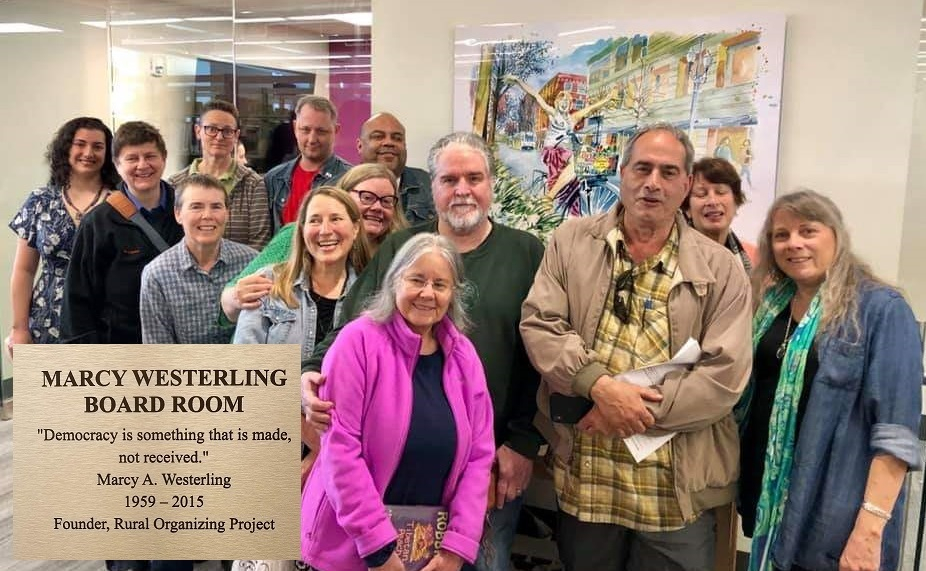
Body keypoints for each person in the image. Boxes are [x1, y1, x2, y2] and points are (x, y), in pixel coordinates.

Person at [304, 132, 546, 571]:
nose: (462, 189)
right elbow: (349, 331)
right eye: (449, 178)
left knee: (489, 561)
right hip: (379, 488)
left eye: (474, 177)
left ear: (490, 183)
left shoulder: (526, 253)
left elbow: (539, 356)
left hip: (486, 466)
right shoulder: (400, 248)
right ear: (430, 186)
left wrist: (522, 443)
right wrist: (310, 371)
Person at [519, 122, 752, 571]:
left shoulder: (721, 269)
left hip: (675, 486)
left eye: (668, 173)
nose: (652, 183)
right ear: (622, 173)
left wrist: (627, 408)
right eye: (642, 168)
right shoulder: (571, 242)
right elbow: (541, 324)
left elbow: (724, 377)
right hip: (589, 475)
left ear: (686, 185)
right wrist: (600, 387)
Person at [737, 190, 922, 571]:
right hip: (770, 504)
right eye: (781, 235)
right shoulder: (770, 305)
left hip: (836, 520)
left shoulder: (880, 309)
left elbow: (895, 436)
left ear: (835, 235)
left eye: (808, 230)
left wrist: (868, 532)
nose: (794, 244)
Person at [301, 233, 495, 571]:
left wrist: (456, 549)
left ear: (453, 294)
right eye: (417, 279)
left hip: (429, 552)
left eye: (440, 284)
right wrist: (378, 548)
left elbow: (479, 457)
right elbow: (341, 451)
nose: (427, 293)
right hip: (353, 549)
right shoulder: (357, 342)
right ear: (395, 282)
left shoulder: (464, 357)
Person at [220, 163, 405, 324]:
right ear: (343, 196)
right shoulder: (297, 235)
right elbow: (230, 302)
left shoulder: (398, 255)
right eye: (367, 197)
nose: (377, 207)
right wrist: (236, 297)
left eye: (387, 201)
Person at [60, 121, 184, 345]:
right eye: (132, 158)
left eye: (150, 156)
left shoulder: (189, 210)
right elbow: (78, 298)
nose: (142, 165)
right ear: (117, 165)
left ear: (164, 158)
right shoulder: (98, 223)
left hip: (183, 342)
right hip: (122, 348)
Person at [6, 116, 119, 354]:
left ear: (109, 154)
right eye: (80, 144)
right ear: (66, 147)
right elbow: (24, 270)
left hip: (105, 319)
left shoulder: (120, 202)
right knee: (49, 390)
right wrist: (19, 328)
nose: (88, 152)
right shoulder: (40, 201)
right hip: (48, 317)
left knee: (101, 390)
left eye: (98, 147)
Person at [233, 186, 371, 360]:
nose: (325, 230)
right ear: (302, 229)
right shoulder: (269, 281)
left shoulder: (370, 296)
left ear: (356, 228)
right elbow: (244, 364)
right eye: (315, 220)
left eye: (336, 219)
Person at [140, 174, 257, 344]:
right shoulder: (156, 275)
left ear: (227, 214)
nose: (207, 215)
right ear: (178, 214)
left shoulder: (251, 263)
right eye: (196, 207)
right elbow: (158, 351)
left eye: (216, 207)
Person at [169, 99, 271, 250]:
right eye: (211, 129)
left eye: (227, 131)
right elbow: (169, 240)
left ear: (236, 136)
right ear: (198, 131)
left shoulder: (253, 184)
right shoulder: (175, 184)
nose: (219, 137)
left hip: (243, 272)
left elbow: (260, 243)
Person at [504, 75, 618, 200]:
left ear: (570, 105)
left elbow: (591, 108)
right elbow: (536, 96)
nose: (564, 104)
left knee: (581, 165)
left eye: (567, 102)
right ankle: (549, 197)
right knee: (575, 164)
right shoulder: (553, 114)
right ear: (556, 103)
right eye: (561, 102)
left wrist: (607, 99)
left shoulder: (573, 118)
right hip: (553, 151)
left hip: (565, 151)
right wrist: (517, 80)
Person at [264, 95, 351, 234]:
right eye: (305, 129)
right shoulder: (273, 178)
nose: (312, 139)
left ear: (336, 131)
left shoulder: (350, 179)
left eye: (321, 131)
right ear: (294, 128)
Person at [355, 112, 435, 224]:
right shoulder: (341, 188)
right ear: (360, 146)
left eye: (397, 138)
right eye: (378, 136)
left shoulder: (430, 186)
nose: (389, 142)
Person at [683, 157, 757, 270]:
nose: (712, 201)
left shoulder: (754, 257)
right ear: (688, 207)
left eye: (720, 192)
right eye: (701, 194)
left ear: (736, 201)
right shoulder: (674, 252)